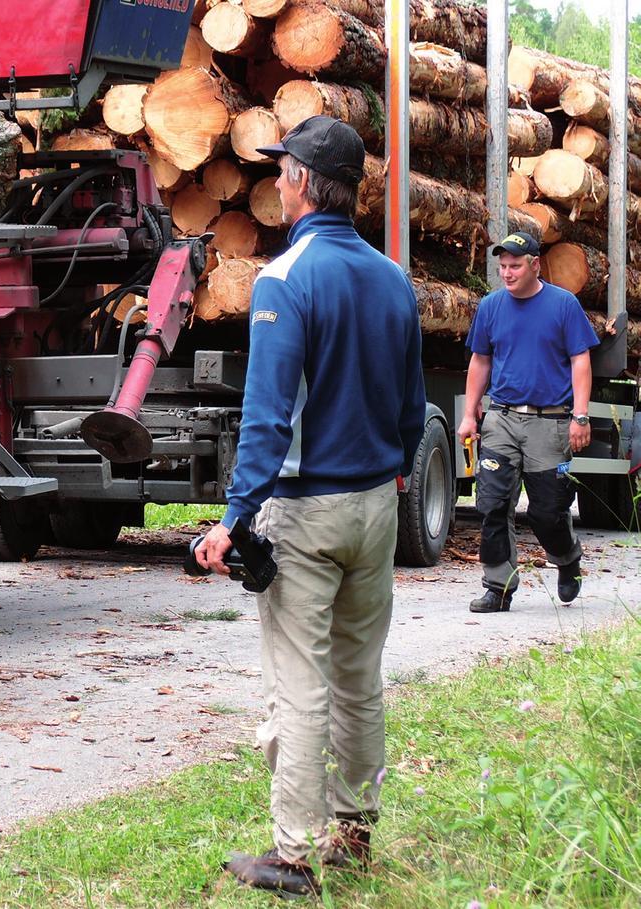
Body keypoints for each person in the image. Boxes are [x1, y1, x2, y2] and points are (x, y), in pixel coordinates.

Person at [193, 115, 426, 898]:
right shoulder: (395, 280)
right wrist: (392, 475)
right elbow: (411, 405)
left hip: (306, 506)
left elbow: (266, 417)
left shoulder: (284, 280)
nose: (277, 181)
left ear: (300, 183)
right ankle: (354, 832)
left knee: (300, 683)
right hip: (375, 502)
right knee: (359, 674)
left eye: (282, 170)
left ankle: (292, 854)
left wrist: (232, 519)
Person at [457, 232, 600, 613]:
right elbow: (480, 361)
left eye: (515, 265)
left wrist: (580, 414)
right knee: (491, 504)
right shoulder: (490, 307)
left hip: (550, 421)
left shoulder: (563, 305)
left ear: (535, 264)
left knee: (547, 512)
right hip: (501, 418)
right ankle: (498, 586)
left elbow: (580, 361)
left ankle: (567, 559)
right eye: (502, 266)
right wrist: (469, 414)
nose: (507, 273)